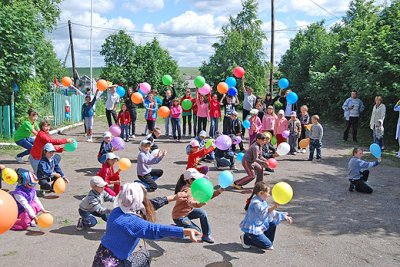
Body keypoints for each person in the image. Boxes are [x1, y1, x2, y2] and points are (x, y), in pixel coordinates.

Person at [92, 183, 200, 266]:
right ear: (138, 200)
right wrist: (184, 231)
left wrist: (173, 197)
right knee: (144, 255)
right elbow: (156, 230)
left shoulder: (117, 211)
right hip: (117, 263)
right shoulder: (132, 222)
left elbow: (150, 205)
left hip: (101, 258)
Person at [172, 168, 223, 244]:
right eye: (197, 179)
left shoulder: (194, 187)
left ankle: (206, 235)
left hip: (187, 213)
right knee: (196, 231)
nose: (199, 181)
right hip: (180, 216)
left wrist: (218, 192)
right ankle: (175, 230)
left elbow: (205, 196)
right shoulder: (187, 190)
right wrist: (200, 204)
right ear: (190, 180)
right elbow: (190, 203)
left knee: (202, 213)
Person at [240, 182, 293, 250]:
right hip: (253, 228)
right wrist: (274, 207)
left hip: (259, 225)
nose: (269, 195)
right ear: (261, 193)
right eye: (268, 193)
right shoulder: (256, 203)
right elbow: (263, 212)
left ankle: (262, 239)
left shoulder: (262, 200)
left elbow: (270, 212)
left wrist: (284, 216)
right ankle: (246, 239)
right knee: (268, 245)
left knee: (272, 224)